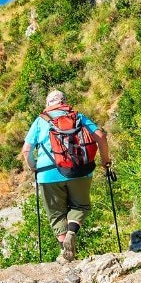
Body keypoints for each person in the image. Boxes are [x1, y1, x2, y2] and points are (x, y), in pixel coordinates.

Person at [21, 90, 111, 262]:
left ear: (48, 104)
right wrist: (105, 161)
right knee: (81, 206)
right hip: (80, 170)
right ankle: (72, 232)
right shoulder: (78, 117)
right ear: (64, 102)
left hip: (48, 174)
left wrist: (34, 168)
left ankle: (65, 253)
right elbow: (101, 137)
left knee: (56, 214)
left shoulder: (40, 121)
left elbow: (26, 150)